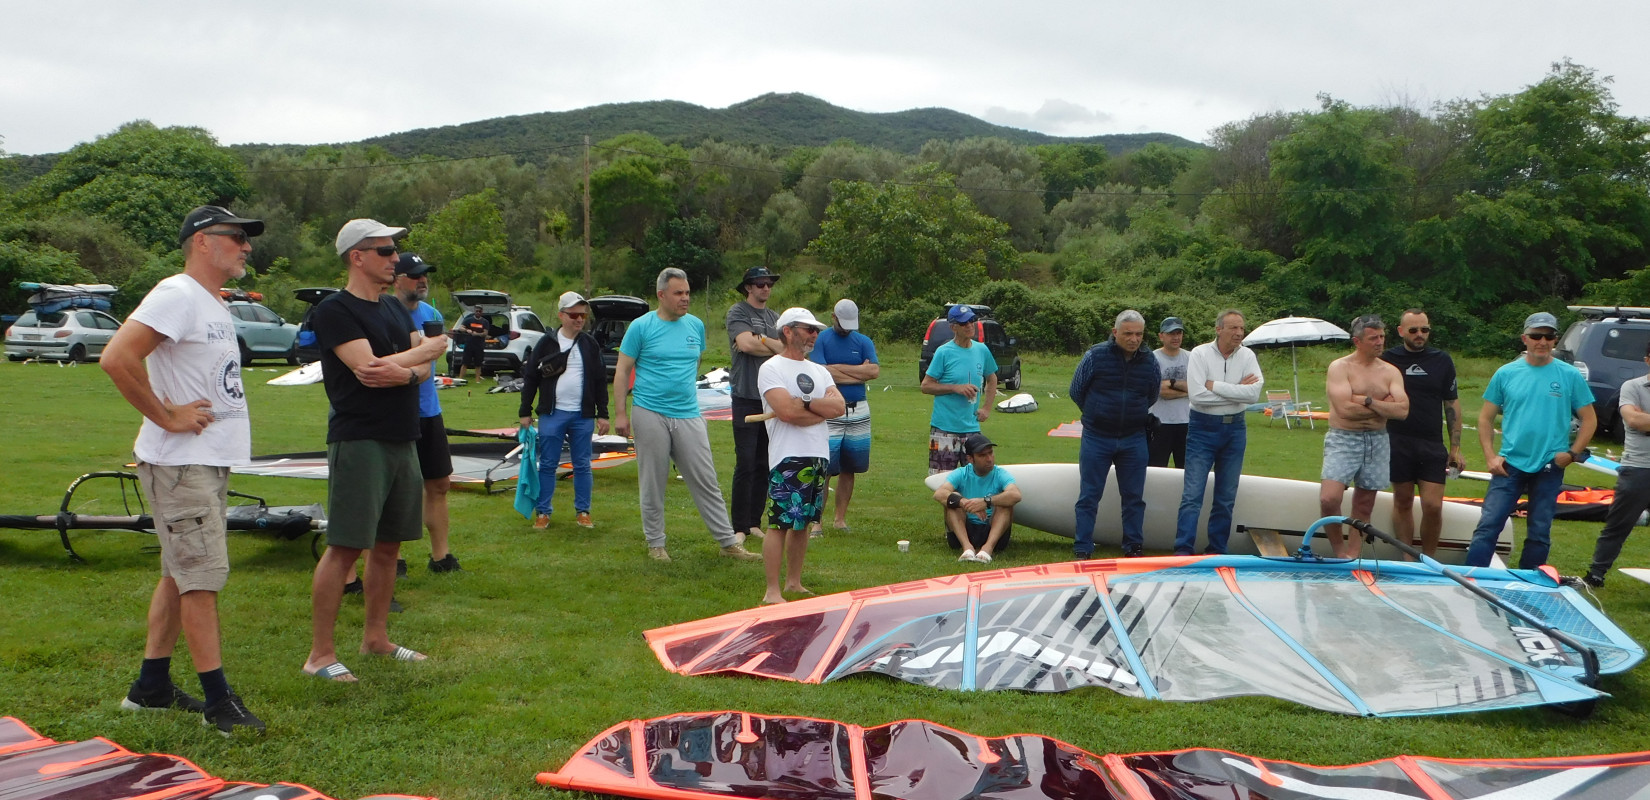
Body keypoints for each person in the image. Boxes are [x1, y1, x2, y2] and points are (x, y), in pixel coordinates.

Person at [100, 205, 266, 734]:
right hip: (181, 463)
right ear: (202, 242)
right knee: (200, 579)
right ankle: (219, 702)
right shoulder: (176, 293)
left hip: (203, 460)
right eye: (236, 237)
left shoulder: (210, 300)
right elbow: (117, 358)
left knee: (179, 573)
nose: (246, 246)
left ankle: (150, 688)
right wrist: (168, 416)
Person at [301, 219, 449, 683]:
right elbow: (368, 369)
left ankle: (376, 639)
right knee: (346, 546)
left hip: (403, 436)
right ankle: (320, 655)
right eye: (384, 251)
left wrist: (405, 369)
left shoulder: (393, 308)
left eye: (394, 250)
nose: (395, 258)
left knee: (388, 547)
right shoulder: (334, 310)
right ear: (357, 256)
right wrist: (423, 355)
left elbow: (413, 370)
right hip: (359, 438)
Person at [612, 267, 762, 563]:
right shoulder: (641, 327)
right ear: (661, 295)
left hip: (688, 413)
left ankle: (728, 543)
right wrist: (620, 414)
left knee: (706, 479)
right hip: (649, 411)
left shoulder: (695, 325)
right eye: (678, 293)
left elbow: (694, 363)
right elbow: (622, 370)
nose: (685, 298)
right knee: (653, 480)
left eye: (688, 293)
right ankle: (656, 544)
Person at [1466, 312, 1596, 569]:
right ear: (1525, 338)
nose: (1542, 341)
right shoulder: (1506, 373)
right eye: (1536, 336)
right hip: (1509, 464)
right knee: (1489, 525)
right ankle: (1471, 578)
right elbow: (1485, 419)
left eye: (1548, 336)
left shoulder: (1569, 375)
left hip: (1550, 465)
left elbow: (1589, 419)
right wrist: (1491, 457)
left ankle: (1529, 583)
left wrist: (1572, 454)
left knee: (1539, 530)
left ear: (1555, 340)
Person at [757, 308, 845, 604]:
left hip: (818, 455)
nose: (814, 335)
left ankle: (794, 583)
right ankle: (772, 591)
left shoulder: (820, 371)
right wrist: (818, 409)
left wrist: (804, 402)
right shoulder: (771, 368)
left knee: (803, 523)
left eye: (816, 330)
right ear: (788, 331)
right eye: (809, 329)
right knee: (779, 524)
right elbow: (785, 411)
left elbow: (839, 407)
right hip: (788, 456)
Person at [1069, 310, 1160, 559]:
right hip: (1097, 435)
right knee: (1089, 495)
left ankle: (1133, 545)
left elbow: (1151, 395)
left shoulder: (1150, 360)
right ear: (1115, 332)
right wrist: (1096, 412)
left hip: (1134, 436)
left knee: (1134, 496)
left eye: (1139, 334)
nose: (1134, 339)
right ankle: (1083, 547)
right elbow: (1076, 390)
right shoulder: (1095, 355)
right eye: (1128, 333)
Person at [1174, 310, 1264, 555]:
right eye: (1233, 328)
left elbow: (1253, 395)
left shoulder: (1247, 355)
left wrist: (1214, 385)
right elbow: (1197, 396)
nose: (1239, 333)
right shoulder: (1200, 354)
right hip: (1202, 428)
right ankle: (1183, 550)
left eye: (1241, 328)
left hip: (1235, 429)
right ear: (1218, 329)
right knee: (1192, 494)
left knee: (1226, 496)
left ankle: (1217, 550)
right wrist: (1236, 391)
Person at [1319, 315, 1409, 558]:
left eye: (1382, 336)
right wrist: (1384, 406)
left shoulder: (1390, 371)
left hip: (1377, 440)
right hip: (1344, 437)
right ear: (1357, 341)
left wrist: (1366, 400)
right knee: (1329, 498)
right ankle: (1339, 551)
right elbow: (1344, 410)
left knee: (1364, 504)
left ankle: (1353, 554)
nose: (1380, 342)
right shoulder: (1341, 367)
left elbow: (1402, 411)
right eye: (1373, 338)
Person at [519, 291, 611, 529]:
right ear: (561, 315)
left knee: (582, 465)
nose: (579, 319)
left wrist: (603, 414)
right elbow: (531, 378)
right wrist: (525, 411)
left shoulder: (589, 344)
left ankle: (583, 512)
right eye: (574, 315)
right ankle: (543, 512)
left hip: (582, 415)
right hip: (552, 413)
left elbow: (600, 380)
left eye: (583, 315)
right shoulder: (546, 343)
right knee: (548, 464)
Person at [394, 253, 461, 573]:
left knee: (439, 483)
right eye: (414, 275)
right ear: (396, 280)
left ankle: (441, 557)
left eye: (425, 275)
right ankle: (392, 559)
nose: (422, 281)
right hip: (396, 412)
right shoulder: (384, 312)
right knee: (394, 489)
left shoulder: (432, 314)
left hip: (429, 410)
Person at [1381, 309, 1465, 557]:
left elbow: (1452, 404)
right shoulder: (1387, 360)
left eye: (1424, 329)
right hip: (1397, 441)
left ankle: (1428, 559)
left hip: (1431, 443)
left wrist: (1455, 448)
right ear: (1400, 331)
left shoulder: (1442, 360)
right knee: (1403, 501)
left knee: (1432, 505)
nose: (1420, 334)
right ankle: (1407, 557)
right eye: (1413, 330)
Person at [1580, 342, 1650, 587]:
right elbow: (1633, 419)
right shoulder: (1632, 386)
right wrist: (1640, 420)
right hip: (1638, 467)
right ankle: (1596, 574)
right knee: (1618, 525)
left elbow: (1642, 420)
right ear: (1647, 359)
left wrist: (1645, 420)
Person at [807, 298, 879, 533]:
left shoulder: (864, 341)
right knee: (825, 466)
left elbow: (873, 371)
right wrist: (859, 372)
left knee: (851, 466)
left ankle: (840, 519)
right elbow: (820, 372)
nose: (846, 329)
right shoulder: (821, 339)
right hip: (830, 408)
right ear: (833, 317)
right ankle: (817, 522)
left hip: (858, 410)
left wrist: (836, 369)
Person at [726, 266, 784, 542]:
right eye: (760, 284)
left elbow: (786, 349)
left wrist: (760, 338)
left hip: (770, 398)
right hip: (745, 396)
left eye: (769, 284)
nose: (766, 288)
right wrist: (766, 344)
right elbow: (746, 345)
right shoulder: (738, 312)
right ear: (748, 287)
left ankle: (754, 522)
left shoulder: (775, 318)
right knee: (746, 462)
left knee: (764, 462)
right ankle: (738, 527)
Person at [922, 305, 997, 480]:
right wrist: (955, 388)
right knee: (942, 482)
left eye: (972, 320)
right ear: (953, 327)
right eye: (964, 323)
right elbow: (926, 386)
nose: (969, 325)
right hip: (943, 429)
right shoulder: (944, 352)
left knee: (978, 479)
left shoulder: (981, 350)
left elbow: (992, 378)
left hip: (972, 429)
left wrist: (986, 408)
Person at [931, 433, 1022, 563]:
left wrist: (986, 502)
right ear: (970, 459)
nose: (989, 459)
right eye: (982, 455)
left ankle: (987, 549)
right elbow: (939, 494)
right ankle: (967, 548)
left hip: (992, 530)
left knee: (1005, 502)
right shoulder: (961, 473)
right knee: (953, 499)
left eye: (991, 453)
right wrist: (965, 503)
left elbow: (1015, 495)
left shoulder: (1000, 474)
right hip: (965, 529)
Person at [1148, 317, 1190, 468]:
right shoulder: (1152, 358)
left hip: (1186, 422)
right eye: (1171, 333)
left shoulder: (1191, 357)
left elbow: (1199, 387)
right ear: (1161, 336)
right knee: (1156, 469)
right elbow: (1160, 390)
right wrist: (1187, 391)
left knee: (1186, 469)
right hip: (1159, 422)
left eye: (1179, 333)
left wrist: (1171, 383)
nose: (1176, 337)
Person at [451, 305, 497, 382]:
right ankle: (461, 378)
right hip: (469, 344)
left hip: (479, 345)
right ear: (474, 311)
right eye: (476, 311)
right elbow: (461, 328)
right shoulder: (468, 320)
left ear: (482, 312)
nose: (478, 312)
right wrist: (467, 330)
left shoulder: (485, 322)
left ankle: (477, 380)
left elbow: (485, 333)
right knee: (465, 362)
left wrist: (477, 334)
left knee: (478, 364)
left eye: (479, 311)